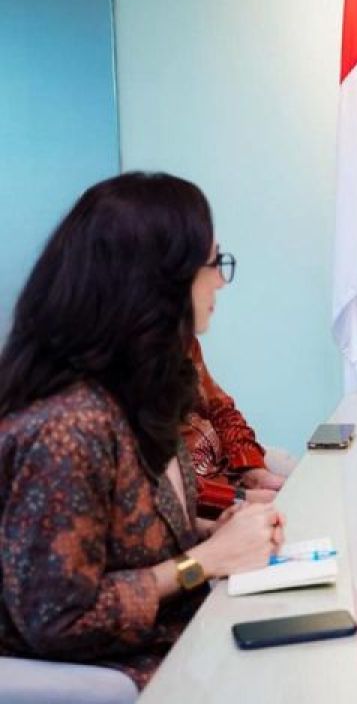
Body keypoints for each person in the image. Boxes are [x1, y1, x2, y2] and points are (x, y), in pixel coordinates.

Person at [0, 172, 285, 688]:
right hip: (127, 679)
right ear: (158, 281)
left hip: (183, 647)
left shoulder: (138, 392)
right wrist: (202, 561)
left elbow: (124, 540)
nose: (220, 282)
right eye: (212, 263)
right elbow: (58, 619)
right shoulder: (67, 428)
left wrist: (217, 532)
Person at [185, 337, 287, 516]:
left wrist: (252, 470)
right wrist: (240, 498)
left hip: (227, 466)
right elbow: (170, 487)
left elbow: (221, 410)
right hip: (201, 501)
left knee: (303, 478)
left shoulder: (185, 343)